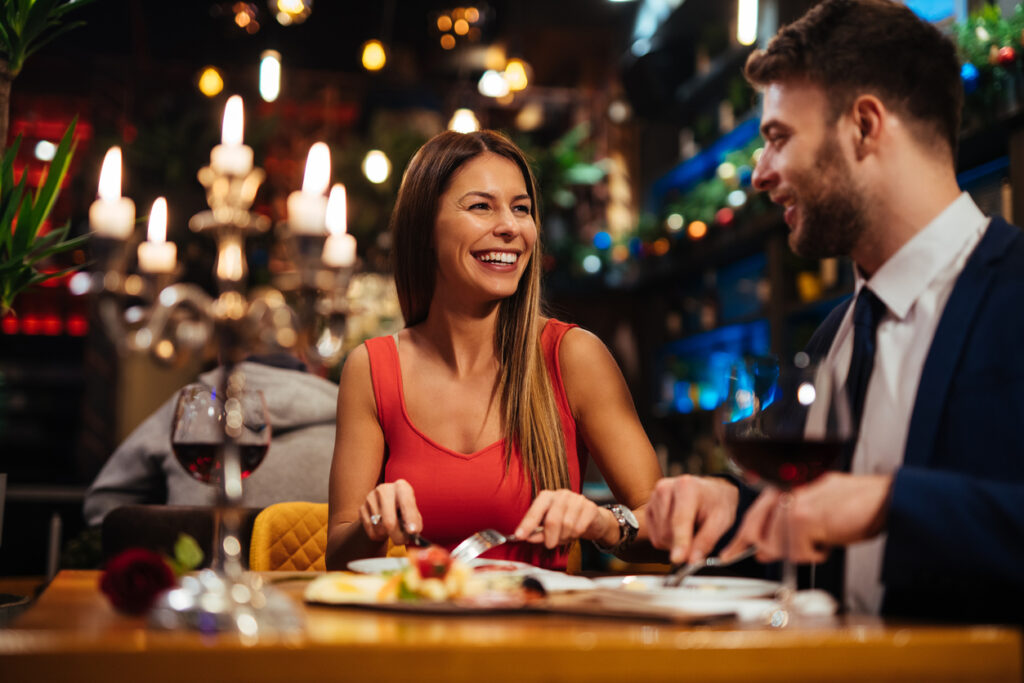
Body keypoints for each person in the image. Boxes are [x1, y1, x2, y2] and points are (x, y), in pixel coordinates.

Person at [647, 0, 1024, 622]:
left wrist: (891, 504)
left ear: (865, 126)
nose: (760, 175)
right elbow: (817, 529)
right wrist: (731, 507)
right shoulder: (836, 335)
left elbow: (870, 506)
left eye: (777, 139)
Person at [325, 130, 672, 570]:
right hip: (420, 632)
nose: (510, 226)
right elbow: (337, 557)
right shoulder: (372, 369)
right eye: (480, 206)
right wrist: (370, 524)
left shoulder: (572, 356)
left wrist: (604, 524)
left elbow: (664, 531)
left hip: (539, 632)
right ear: (425, 228)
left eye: (521, 208)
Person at [83, 353, 339, 526]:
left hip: (191, 575)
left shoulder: (191, 404)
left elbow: (104, 502)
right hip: (312, 583)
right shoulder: (352, 410)